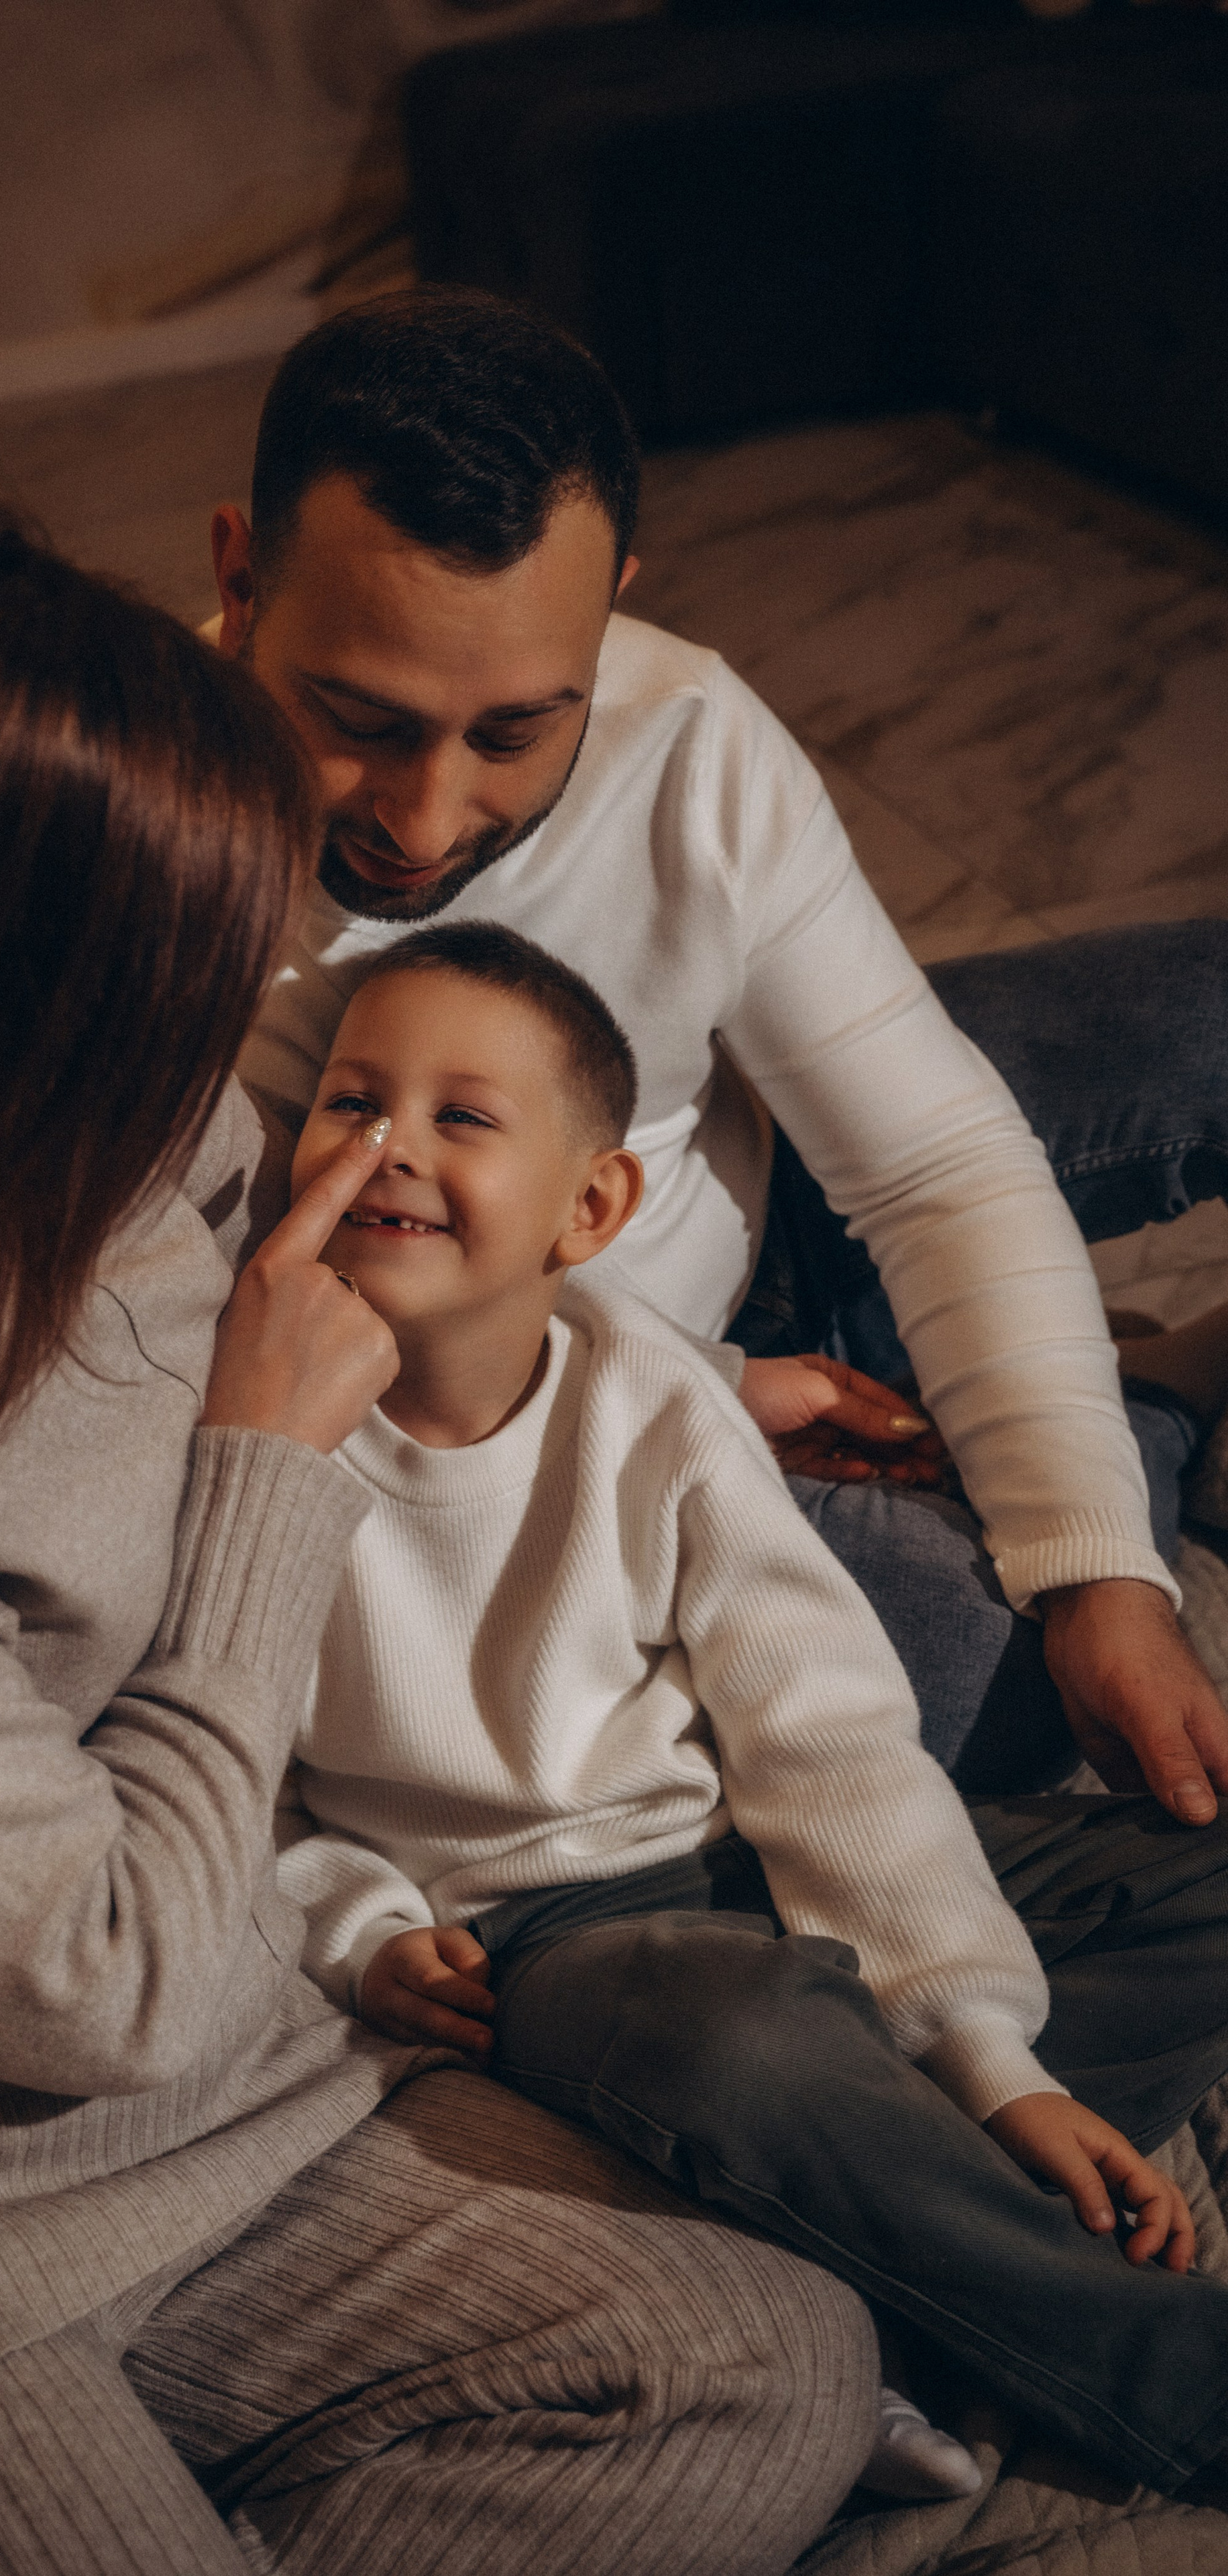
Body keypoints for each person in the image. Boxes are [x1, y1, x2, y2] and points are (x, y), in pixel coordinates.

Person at [0, 494, 879, 2576]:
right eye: (172, 965)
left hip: (208, 2060)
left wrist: (648, 1380)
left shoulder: (113, 1119)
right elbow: (104, 1980)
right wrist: (262, 1471)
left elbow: (365, 1303)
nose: (248, 990)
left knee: (768, 2367)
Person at [224, 285, 1228, 1822]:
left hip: (765, 1205)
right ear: (238, 578)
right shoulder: (120, 840)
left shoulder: (682, 724)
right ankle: (1149, 1399)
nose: (423, 823)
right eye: (354, 717)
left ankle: (1050, 1418)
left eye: (511, 734)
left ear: (609, 603)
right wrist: (705, 1381)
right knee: (991, 1687)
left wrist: (1097, 1560)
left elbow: (931, 1155)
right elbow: (244, 1378)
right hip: (574, 1422)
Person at [276, 922, 1228, 2502]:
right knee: (737, 2046)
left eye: (461, 1116)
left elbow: (823, 1732)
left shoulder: (647, 1391)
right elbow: (237, 1775)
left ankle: (910, 2252)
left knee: (1187, 1882)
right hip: (544, 1942)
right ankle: (1156, 2372)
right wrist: (358, 1925)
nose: (388, 1150)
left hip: (734, 1861)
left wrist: (992, 2061)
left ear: (588, 1209)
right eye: (349, 1103)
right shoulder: (267, 1436)